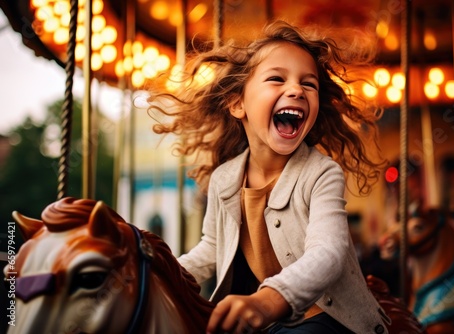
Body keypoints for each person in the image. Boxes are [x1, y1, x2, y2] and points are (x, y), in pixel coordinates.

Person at [148, 20, 389, 334]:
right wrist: (161, 274)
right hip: (265, 318)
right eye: (277, 78)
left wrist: (269, 299)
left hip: (323, 316)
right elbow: (211, 248)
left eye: (309, 84)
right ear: (237, 103)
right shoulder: (225, 179)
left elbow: (328, 252)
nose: (296, 90)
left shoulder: (321, 174)